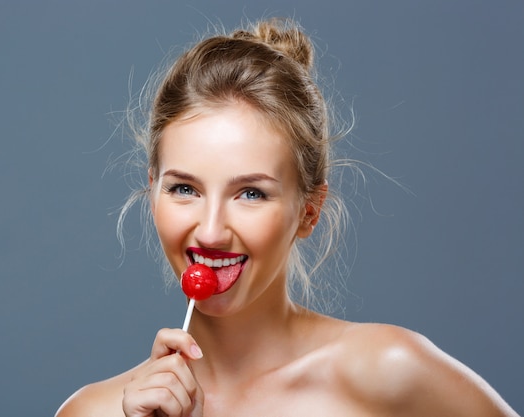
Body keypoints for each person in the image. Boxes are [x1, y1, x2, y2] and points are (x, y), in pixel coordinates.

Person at [56, 18, 518, 417]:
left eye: (251, 193)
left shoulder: (388, 373)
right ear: (152, 188)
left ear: (308, 211)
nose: (212, 231)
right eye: (184, 189)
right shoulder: (94, 410)